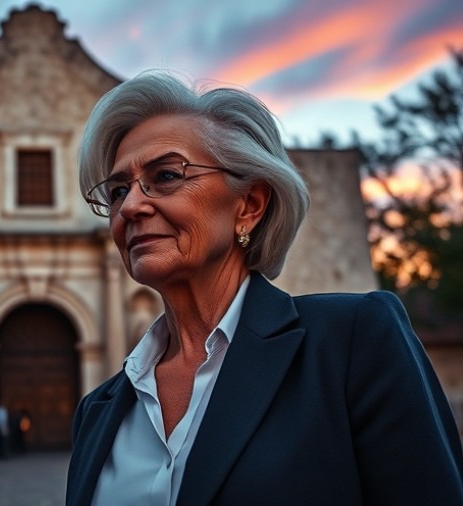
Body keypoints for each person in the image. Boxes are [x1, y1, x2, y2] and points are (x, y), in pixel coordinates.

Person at [65, 70, 463, 505]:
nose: (132, 206)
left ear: (250, 206)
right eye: (118, 190)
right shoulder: (97, 411)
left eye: (166, 176)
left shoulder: (351, 343)